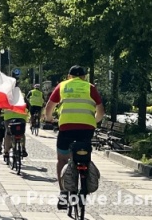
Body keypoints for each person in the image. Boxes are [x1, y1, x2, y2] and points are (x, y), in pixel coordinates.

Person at [44, 65, 105, 209]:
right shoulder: (90, 87)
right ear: (84, 77)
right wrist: (93, 121)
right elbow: (101, 111)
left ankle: (63, 193)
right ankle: (85, 175)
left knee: (62, 159)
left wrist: (49, 119)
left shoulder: (62, 86)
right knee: (83, 154)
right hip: (86, 129)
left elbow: (49, 108)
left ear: (69, 76)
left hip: (66, 128)